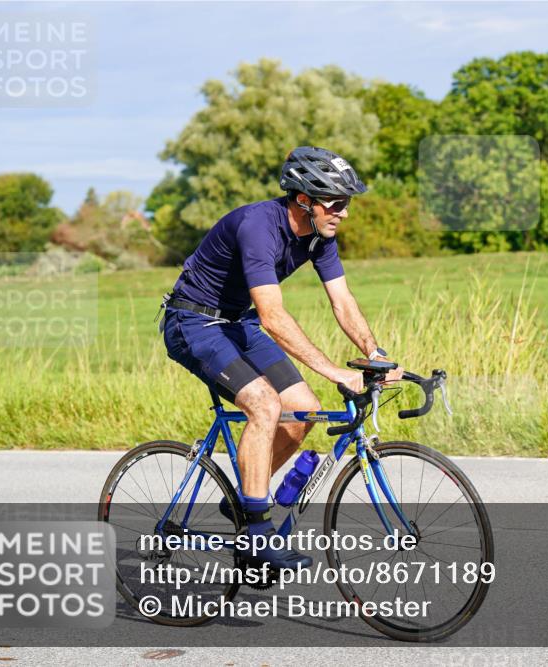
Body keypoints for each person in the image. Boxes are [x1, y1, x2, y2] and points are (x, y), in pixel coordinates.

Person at [160, 146, 402, 570]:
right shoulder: (259, 226)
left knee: (303, 410)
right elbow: (273, 316)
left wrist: (374, 353)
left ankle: (242, 502)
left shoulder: (318, 235)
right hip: (193, 323)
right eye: (337, 203)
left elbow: (342, 301)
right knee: (265, 405)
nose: (344, 213)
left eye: (347, 204)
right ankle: (256, 533)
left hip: (238, 324)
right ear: (304, 200)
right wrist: (333, 372)